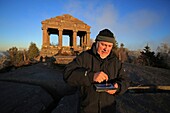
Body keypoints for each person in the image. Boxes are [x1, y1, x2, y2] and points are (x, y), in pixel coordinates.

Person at [63, 29, 130, 113]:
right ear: (97, 42)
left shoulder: (115, 62)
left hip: (109, 109)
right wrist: (91, 76)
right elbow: (67, 73)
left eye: (109, 46)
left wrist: (118, 87)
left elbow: (125, 81)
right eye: (103, 45)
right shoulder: (85, 57)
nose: (106, 49)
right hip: (87, 109)